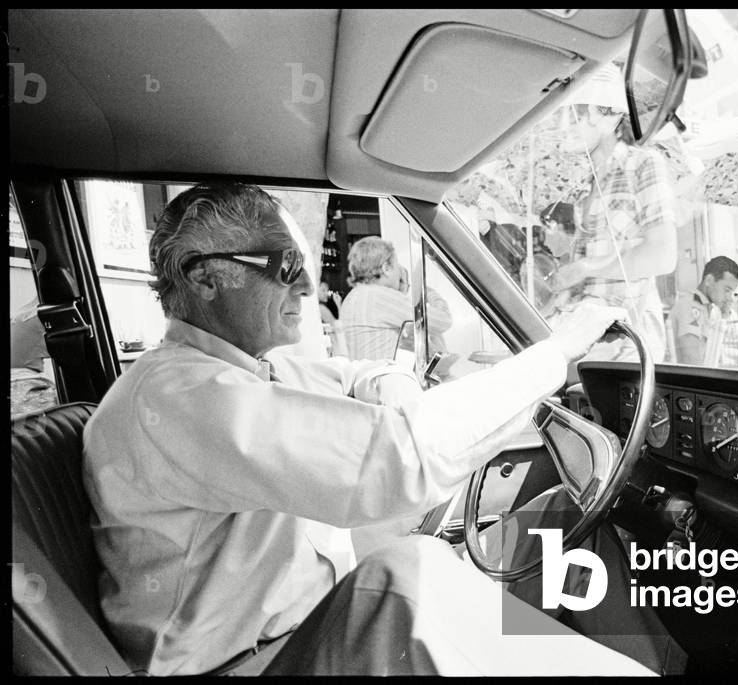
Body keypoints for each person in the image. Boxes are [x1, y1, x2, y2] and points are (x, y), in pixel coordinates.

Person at [82, 182, 681, 676]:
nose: (308, 287)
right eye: (284, 266)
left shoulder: (259, 367)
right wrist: (555, 356)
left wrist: (395, 390)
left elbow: (356, 375)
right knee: (402, 579)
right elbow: (405, 458)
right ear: (205, 278)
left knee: (547, 519)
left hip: (306, 626)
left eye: (305, 265)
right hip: (248, 665)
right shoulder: (182, 395)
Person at [546, 78, 677, 363]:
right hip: (588, 339)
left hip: (628, 342)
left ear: (600, 115)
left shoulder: (643, 163)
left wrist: (585, 268)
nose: (561, 126)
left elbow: (662, 255)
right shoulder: (582, 183)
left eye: (571, 115)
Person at [337, 236, 452, 360]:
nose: (399, 274)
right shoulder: (381, 297)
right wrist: (424, 290)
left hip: (366, 376)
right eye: (397, 267)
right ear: (386, 268)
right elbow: (442, 321)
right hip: (387, 376)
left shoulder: (352, 298)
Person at [672, 256, 738, 365]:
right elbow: (691, 360)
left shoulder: (705, 308)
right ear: (708, 280)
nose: (730, 298)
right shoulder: (691, 307)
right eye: (726, 290)